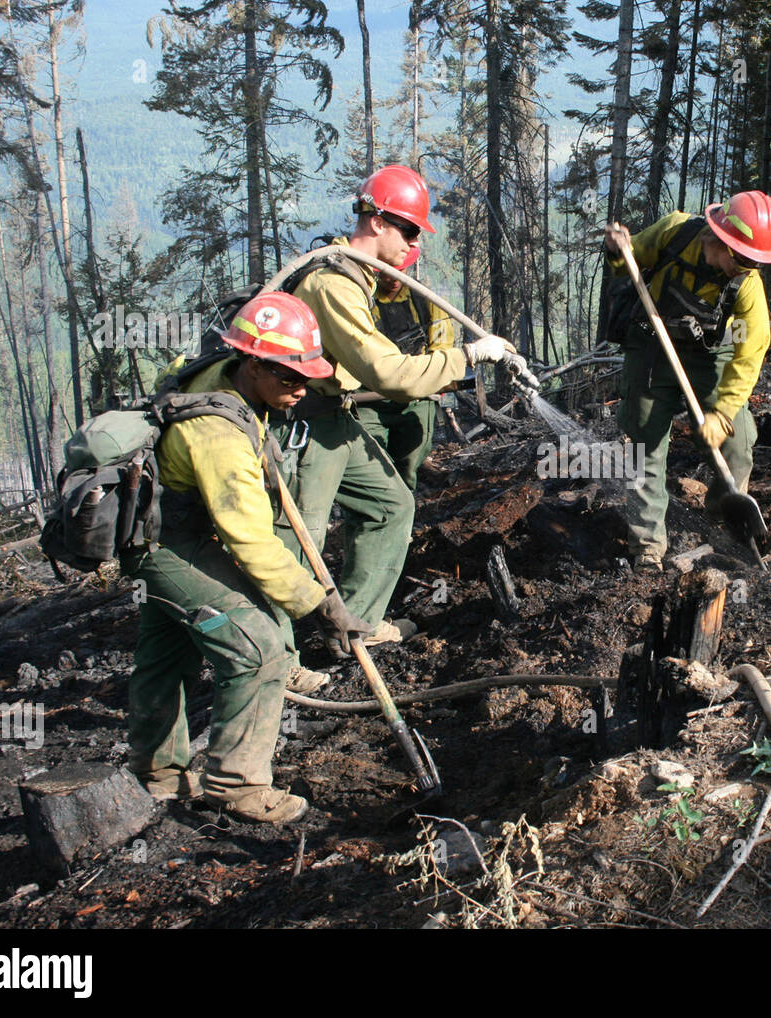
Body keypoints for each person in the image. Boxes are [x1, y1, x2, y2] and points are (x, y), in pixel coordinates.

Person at [123, 292, 371, 824]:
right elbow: (252, 544)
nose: (301, 389)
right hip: (166, 543)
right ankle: (236, 786)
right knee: (258, 647)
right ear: (253, 364)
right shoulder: (218, 436)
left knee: (168, 653)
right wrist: (321, 605)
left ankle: (158, 774)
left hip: (161, 528)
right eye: (288, 378)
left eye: (307, 376)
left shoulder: (222, 366)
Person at [279, 164, 532, 654]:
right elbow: (387, 372)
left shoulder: (358, 278)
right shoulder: (332, 284)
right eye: (411, 229)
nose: (414, 243)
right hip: (301, 418)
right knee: (298, 534)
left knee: (390, 503)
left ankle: (356, 624)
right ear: (376, 222)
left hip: (333, 412)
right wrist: (469, 356)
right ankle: (274, 655)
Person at [604, 190, 771, 570]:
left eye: (755, 261)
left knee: (739, 436)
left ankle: (723, 521)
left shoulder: (747, 283)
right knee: (645, 438)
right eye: (742, 258)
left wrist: (721, 413)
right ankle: (648, 547)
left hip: (709, 354)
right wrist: (619, 250)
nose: (747, 268)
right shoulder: (676, 232)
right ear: (718, 239)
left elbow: (749, 353)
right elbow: (627, 263)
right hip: (652, 343)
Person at [355, 246, 454, 491]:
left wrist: (433, 377)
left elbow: (442, 345)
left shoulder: (425, 301)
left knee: (410, 460)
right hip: (369, 400)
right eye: (385, 272)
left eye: (398, 270)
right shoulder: (360, 302)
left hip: (416, 397)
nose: (392, 277)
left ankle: (406, 502)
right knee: (370, 460)